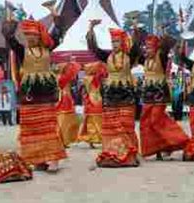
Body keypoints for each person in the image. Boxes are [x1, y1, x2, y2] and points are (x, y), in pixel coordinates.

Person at [1, 4, 67, 173]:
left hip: (45, 93)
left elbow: (58, 33)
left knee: (48, 124)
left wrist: (54, 14)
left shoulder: (47, 48)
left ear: (40, 35)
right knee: (32, 126)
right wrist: (10, 19)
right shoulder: (22, 51)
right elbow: (10, 39)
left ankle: (53, 158)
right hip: (29, 93)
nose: (30, 38)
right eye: (27, 35)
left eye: (33, 35)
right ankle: (37, 158)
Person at [87, 21, 140, 166]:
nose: (114, 44)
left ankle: (129, 154)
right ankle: (113, 152)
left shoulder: (129, 56)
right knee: (112, 124)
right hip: (111, 94)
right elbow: (94, 48)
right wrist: (91, 29)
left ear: (122, 42)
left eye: (116, 41)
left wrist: (135, 29)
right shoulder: (107, 56)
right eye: (112, 42)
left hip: (126, 93)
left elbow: (136, 45)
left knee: (126, 124)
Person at [140, 35, 188, 160]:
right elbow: (135, 48)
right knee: (147, 123)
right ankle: (158, 149)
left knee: (156, 120)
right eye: (146, 48)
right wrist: (136, 30)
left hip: (160, 94)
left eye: (150, 48)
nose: (147, 50)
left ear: (156, 49)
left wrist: (163, 35)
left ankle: (179, 139)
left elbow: (168, 45)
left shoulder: (161, 57)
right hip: (147, 95)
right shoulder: (145, 60)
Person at [77, 61, 107, 148]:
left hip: (89, 100)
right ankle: (99, 138)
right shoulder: (96, 78)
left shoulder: (85, 78)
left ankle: (91, 140)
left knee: (90, 120)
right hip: (97, 99)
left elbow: (84, 92)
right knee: (99, 119)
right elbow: (103, 74)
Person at [55, 59, 81, 148]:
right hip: (66, 98)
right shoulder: (65, 78)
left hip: (60, 99)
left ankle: (62, 139)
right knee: (65, 120)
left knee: (61, 120)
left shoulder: (57, 76)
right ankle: (63, 140)